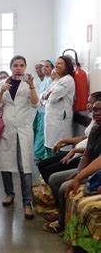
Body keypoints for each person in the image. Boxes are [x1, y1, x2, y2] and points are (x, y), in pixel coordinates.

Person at [41, 92, 101, 234]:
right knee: (54, 178)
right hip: (89, 168)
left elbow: (99, 161)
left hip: (96, 172)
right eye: (94, 110)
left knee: (64, 187)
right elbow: (87, 155)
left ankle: (62, 222)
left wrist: (78, 178)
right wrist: (78, 172)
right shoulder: (95, 129)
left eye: (100, 110)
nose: (96, 113)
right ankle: (63, 212)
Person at [0, 55, 39, 219]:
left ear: (25, 67)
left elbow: (35, 104)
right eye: (15, 65)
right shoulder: (2, 83)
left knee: (24, 166)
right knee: (6, 164)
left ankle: (27, 203)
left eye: (21, 65)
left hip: (23, 130)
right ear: (10, 67)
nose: (18, 68)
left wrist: (32, 86)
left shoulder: (29, 84)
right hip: (6, 130)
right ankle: (9, 194)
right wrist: (2, 91)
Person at [41, 56, 76, 158]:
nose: (56, 65)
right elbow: (42, 97)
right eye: (56, 63)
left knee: (59, 148)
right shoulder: (57, 80)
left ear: (67, 66)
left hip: (60, 120)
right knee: (49, 144)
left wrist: (48, 96)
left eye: (60, 63)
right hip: (50, 118)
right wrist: (47, 95)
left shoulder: (68, 80)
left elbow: (52, 98)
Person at [33, 60, 54, 160]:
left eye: (46, 66)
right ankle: (39, 155)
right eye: (42, 67)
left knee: (42, 134)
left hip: (46, 111)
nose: (42, 69)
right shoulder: (44, 80)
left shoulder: (51, 80)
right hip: (40, 111)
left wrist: (42, 99)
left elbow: (46, 96)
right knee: (39, 133)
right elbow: (41, 95)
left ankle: (39, 155)